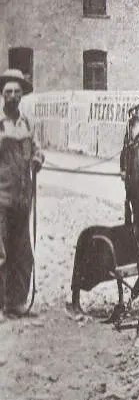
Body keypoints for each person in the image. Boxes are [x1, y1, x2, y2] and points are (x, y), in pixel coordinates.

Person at [0, 69, 44, 321]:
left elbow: (37, 149)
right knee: (1, 253)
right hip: (1, 198)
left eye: (17, 92)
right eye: (8, 92)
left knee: (21, 252)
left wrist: (37, 159)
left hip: (23, 198)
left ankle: (16, 302)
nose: (13, 96)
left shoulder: (27, 123)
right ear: (2, 94)